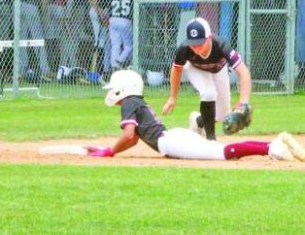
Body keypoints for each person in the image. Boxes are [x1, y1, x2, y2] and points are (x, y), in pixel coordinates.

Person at [86, 70, 305, 162]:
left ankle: (270, 147)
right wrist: (111, 151)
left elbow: (129, 135)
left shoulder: (130, 102)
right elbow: (133, 139)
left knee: (222, 153)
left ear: (124, 88)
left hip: (171, 141)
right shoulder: (135, 102)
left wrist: (108, 152)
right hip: (172, 139)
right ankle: (269, 145)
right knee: (218, 151)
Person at [161, 17, 252, 141]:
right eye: (193, 44)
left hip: (218, 70)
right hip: (195, 69)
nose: (196, 48)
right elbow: (176, 70)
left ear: (209, 38)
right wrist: (173, 97)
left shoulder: (221, 45)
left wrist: (243, 102)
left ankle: (198, 121)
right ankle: (211, 140)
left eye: (200, 43)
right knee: (209, 93)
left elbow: (243, 72)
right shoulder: (184, 49)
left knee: (222, 115)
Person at [19, 0, 53, 81]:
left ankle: (22, 69)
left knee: (21, 39)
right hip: (31, 7)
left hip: (18, 6)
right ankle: (45, 69)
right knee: (37, 39)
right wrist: (44, 14)